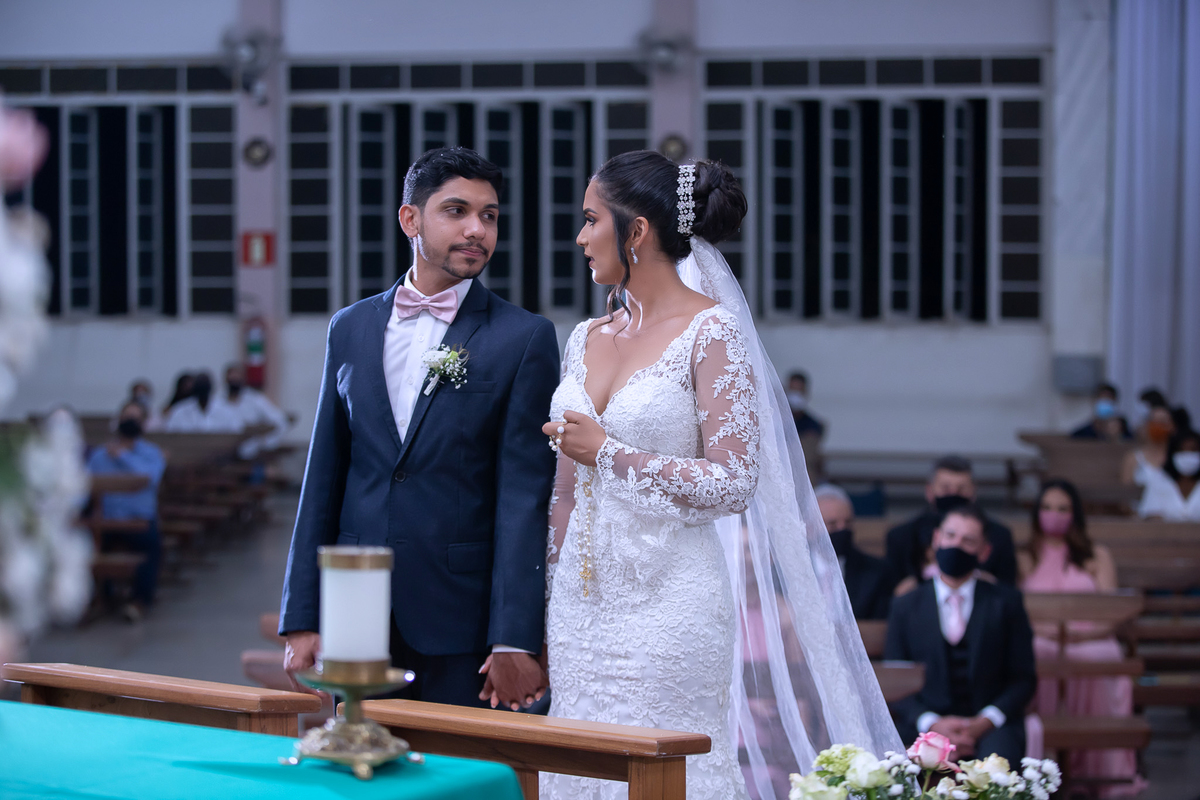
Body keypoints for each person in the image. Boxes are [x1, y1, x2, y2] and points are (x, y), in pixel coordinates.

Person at [543, 151, 899, 800]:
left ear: (636, 231)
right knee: (578, 773)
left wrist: (609, 453)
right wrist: (552, 596)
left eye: (591, 219)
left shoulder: (712, 332)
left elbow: (734, 481)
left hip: (670, 603)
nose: (580, 237)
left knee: (661, 772)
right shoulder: (585, 337)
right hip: (580, 611)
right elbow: (566, 492)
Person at [279, 147, 558, 711]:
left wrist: (513, 635)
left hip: (461, 617)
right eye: (456, 211)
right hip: (356, 609)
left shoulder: (523, 337)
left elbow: (523, 496)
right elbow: (323, 478)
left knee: (459, 764)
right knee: (361, 758)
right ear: (410, 219)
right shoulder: (350, 327)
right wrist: (302, 615)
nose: (477, 229)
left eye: (489, 215)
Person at [884, 504, 1036, 765]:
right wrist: (933, 723)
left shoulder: (1006, 603)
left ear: (984, 551)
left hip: (990, 724)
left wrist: (984, 721)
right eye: (950, 536)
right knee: (900, 767)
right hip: (923, 723)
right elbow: (895, 678)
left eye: (968, 541)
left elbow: (1023, 678)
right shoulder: (905, 606)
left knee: (997, 771)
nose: (956, 545)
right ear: (936, 539)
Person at [1018, 479, 1142, 793]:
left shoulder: (1096, 555)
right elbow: (1017, 612)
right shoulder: (1025, 557)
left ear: (1075, 514)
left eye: (1063, 508)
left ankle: (1097, 768)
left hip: (1092, 638)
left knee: (1100, 657)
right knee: (1035, 654)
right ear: (1037, 512)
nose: (1054, 514)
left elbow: (1112, 611)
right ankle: (1044, 768)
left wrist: (1080, 636)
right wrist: (1049, 633)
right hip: (1041, 637)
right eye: (1047, 507)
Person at [86, 401, 166, 621]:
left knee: (151, 547)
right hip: (107, 521)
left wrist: (123, 456)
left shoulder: (151, 453)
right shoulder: (99, 455)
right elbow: (84, 485)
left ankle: (139, 601)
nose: (130, 421)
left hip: (139, 521)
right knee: (86, 544)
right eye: (126, 416)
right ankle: (102, 597)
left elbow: (151, 478)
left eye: (136, 418)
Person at [885, 455, 1017, 586]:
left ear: (973, 491)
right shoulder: (901, 537)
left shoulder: (998, 536)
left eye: (961, 489)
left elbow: (1008, 588)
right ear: (929, 491)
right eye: (945, 488)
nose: (953, 494)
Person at [815, 483, 894, 620]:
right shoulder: (788, 569)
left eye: (847, 522)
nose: (842, 529)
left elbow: (879, 626)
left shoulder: (875, 572)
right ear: (810, 525)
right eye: (832, 524)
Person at [210, 363, 291, 459]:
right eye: (231, 378)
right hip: (222, 455)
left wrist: (265, 443)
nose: (234, 381)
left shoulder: (255, 400)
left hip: (252, 456)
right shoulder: (217, 403)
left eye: (237, 378)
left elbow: (280, 421)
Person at [1138, 428, 1200, 520]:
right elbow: (1149, 514)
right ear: (1172, 454)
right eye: (1181, 450)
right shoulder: (1159, 479)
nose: (1187, 455)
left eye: (1193, 450)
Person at [163, 372, 240, 432]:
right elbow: (170, 435)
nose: (203, 392)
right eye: (200, 388)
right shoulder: (180, 411)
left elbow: (235, 434)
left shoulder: (227, 410)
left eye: (205, 388)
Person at [1120, 401, 1175, 485]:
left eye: (1162, 422)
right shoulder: (1133, 459)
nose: (1158, 426)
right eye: (1154, 422)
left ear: (1172, 426)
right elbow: (1125, 490)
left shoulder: (1178, 458)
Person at [787, 372, 825, 439]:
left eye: (799, 391)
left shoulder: (813, 426)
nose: (795, 395)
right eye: (793, 390)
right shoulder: (775, 420)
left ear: (806, 393)